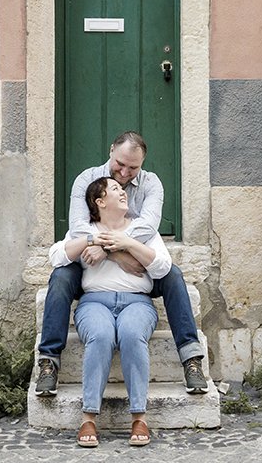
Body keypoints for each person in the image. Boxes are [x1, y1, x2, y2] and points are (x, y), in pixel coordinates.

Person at [33, 131, 208, 399]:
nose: (125, 173)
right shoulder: (86, 179)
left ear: (142, 163)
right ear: (111, 150)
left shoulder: (151, 184)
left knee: (172, 274)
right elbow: (79, 227)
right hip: (93, 260)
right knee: (61, 276)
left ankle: (191, 358)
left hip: (136, 259)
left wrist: (118, 246)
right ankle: (48, 362)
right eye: (120, 164)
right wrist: (114, 252)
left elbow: (148, 225)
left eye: (133, 168)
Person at [48, 176, 171, 447]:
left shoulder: (141, 229)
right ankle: (88, 418)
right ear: (100, 202)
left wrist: (127, 243)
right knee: (101, 335)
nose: (123, 192)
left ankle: (139, 417)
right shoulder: (85, 229)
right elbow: (57, 257)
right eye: (115, 189)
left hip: (137, 302)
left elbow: (162, 267)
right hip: (94, 302)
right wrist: (92, 240)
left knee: (130, 333)